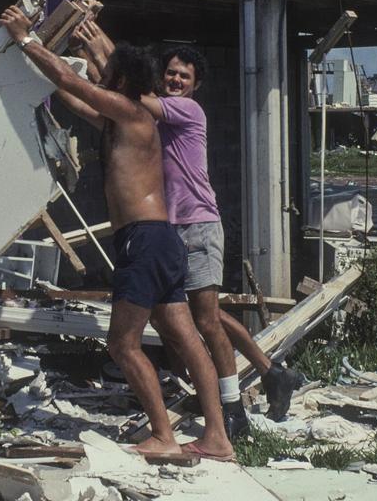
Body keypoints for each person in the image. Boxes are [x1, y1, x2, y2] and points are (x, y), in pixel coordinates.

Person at [0, 5, 234, 461]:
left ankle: (163, 435)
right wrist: (66, 52)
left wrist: (27, 40)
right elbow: (73, 96)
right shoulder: (119, 120)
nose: (104, 80)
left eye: (111, 77)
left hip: (144, 242)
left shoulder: (131, 112)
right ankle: (218, 439)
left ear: (122, 83)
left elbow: (76, 83)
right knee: (185, 338)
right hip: (161, 239)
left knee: (122, 343)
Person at [74, 21, 304, 431]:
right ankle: (270, 373)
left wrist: (97, 44)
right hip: (167, 232)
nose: (176, 79)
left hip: (195, 225)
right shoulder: (148, 117)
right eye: (171, 73)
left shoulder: (183, 110)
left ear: (195, 85)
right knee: (195, 317)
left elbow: (125, 84)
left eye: (185, 75)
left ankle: (232, 408)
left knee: (206, 320)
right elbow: (114, 93)